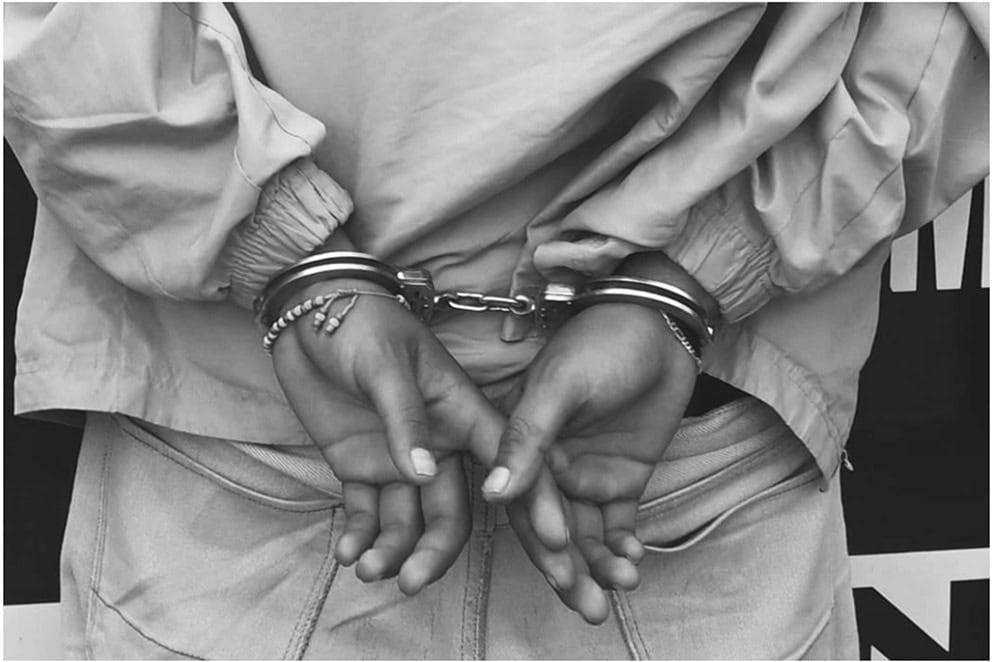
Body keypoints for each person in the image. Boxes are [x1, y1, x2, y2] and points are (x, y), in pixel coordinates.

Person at [5, 3, 988, 659]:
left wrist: (280, 251)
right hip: (666, 457)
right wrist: (696, 271)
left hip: (262, 436)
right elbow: (937, 38)